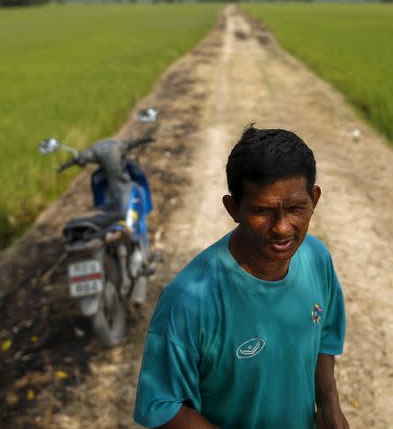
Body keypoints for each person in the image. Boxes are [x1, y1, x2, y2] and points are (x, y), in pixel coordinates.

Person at [133, 126, 348, 428]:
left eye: (296, 208)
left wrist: (329, 405)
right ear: (233, 209)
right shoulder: (189, 301)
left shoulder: (316, 258)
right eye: (263, 211)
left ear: (314, 199)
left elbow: (325, 333)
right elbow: (160, 404)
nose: (282, 227)